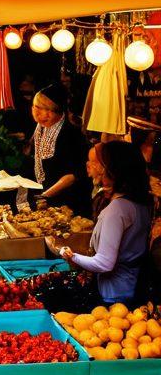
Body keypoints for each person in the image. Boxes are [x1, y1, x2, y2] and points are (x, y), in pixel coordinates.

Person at [53, 140, 152, 305]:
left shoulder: (117, 209)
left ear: (113, 171)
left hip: (114, 295)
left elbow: (104, 263)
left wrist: (68, 254)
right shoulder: (140, 202)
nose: (93, 169)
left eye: (99, 164)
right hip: (131, 287)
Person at [30, 83, 92, 217]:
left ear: (60, 111)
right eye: (38, 108)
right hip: (45, 199)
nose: (43, 115)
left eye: (50, 110)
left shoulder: (72, 134)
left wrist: (45, 195)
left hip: (70, 203)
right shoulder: (39, 129)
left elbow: (74, 174)